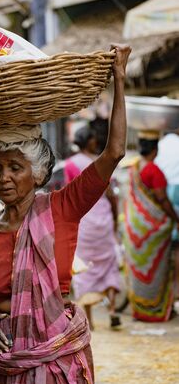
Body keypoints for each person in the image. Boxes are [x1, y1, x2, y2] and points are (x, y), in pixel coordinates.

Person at [0, 44, 131, 384]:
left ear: (37, 173)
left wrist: (118, 79)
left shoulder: (64, 207)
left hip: (55, 355)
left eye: (15, 167)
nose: (3, 177)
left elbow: (115, 151)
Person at [65, 126, 121, 330]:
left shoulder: (71, 164)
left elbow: (69, 194)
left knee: (85, 267)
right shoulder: (102, 162)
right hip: (103, 218)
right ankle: (113, 310)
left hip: (85, 221)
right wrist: (115, 218)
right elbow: (112, 195)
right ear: (89, 141)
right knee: (109, 262)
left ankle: (89, 318)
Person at [124, 131, 179, 322]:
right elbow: (162, 200)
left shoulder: (134, 167)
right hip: (154, 231)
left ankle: (140, 309)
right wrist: (175, 218)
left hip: (136, 230)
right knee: (160, 268)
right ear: (156, 148)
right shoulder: (153, 171)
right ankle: (157, 309)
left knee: (140, 269)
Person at [156, 130, 179, 302]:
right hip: (173, 194)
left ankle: (169, 290)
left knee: (166, 246)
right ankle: (176, 289)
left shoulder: (162, 143)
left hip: (164, 193)